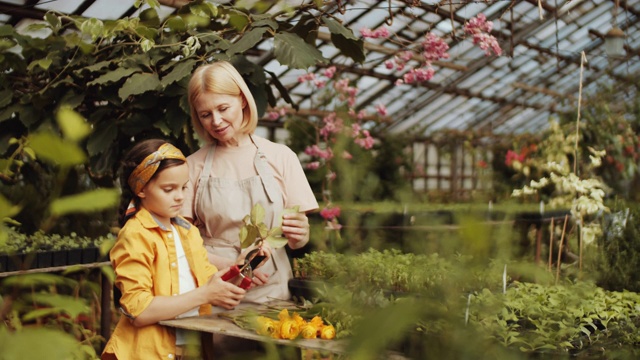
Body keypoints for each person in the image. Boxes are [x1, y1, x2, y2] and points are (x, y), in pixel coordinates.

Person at [182, 60, 319, 305]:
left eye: (223, 108)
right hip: (216, 287)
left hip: (272, 289)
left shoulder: (281, 156)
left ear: (243, 100)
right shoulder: (191, 166)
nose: (216, 121)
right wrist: (232, 266)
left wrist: (301, 233)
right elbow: (180, 243)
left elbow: (298, 240)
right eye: (205, 114)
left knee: (273, 341)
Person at [102, 139, 246, 360]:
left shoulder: (186, 230)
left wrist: (242, 268)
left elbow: (208, 285)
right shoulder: (135, 235)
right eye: (169, 189)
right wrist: (205, 294)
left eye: (183, 187)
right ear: (141, 189)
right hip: (150, 353)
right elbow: (139, 311)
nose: (180, 196)